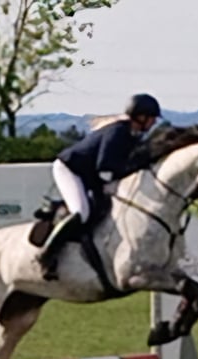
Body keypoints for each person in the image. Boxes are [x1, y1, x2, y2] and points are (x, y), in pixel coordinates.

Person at [36, 93, 162, 277]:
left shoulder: (131, 135)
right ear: (140, 116)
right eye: (152, 118)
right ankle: (46, 254)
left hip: (88, 174)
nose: (154, 123)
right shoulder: (118, 132)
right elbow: (104, 167)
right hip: (69, 169)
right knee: (81, 212)